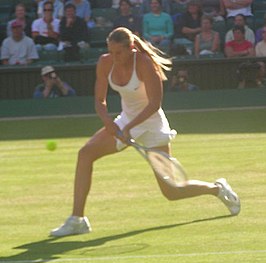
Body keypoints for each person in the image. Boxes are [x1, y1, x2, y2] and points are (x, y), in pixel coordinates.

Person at [50, 27, 240, 237]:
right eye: (110, 52)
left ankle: (217, 189)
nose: (114, 57)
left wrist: (128, 129)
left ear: (131, 48)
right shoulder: (105, 62)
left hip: (151, 124)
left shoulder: (144, 63)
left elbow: (154, 104)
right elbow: (99, 100)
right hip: (126, 119)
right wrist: (109, 123)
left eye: (118, 53)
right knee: (85, 153)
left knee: (172, 191)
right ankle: (77, 220)